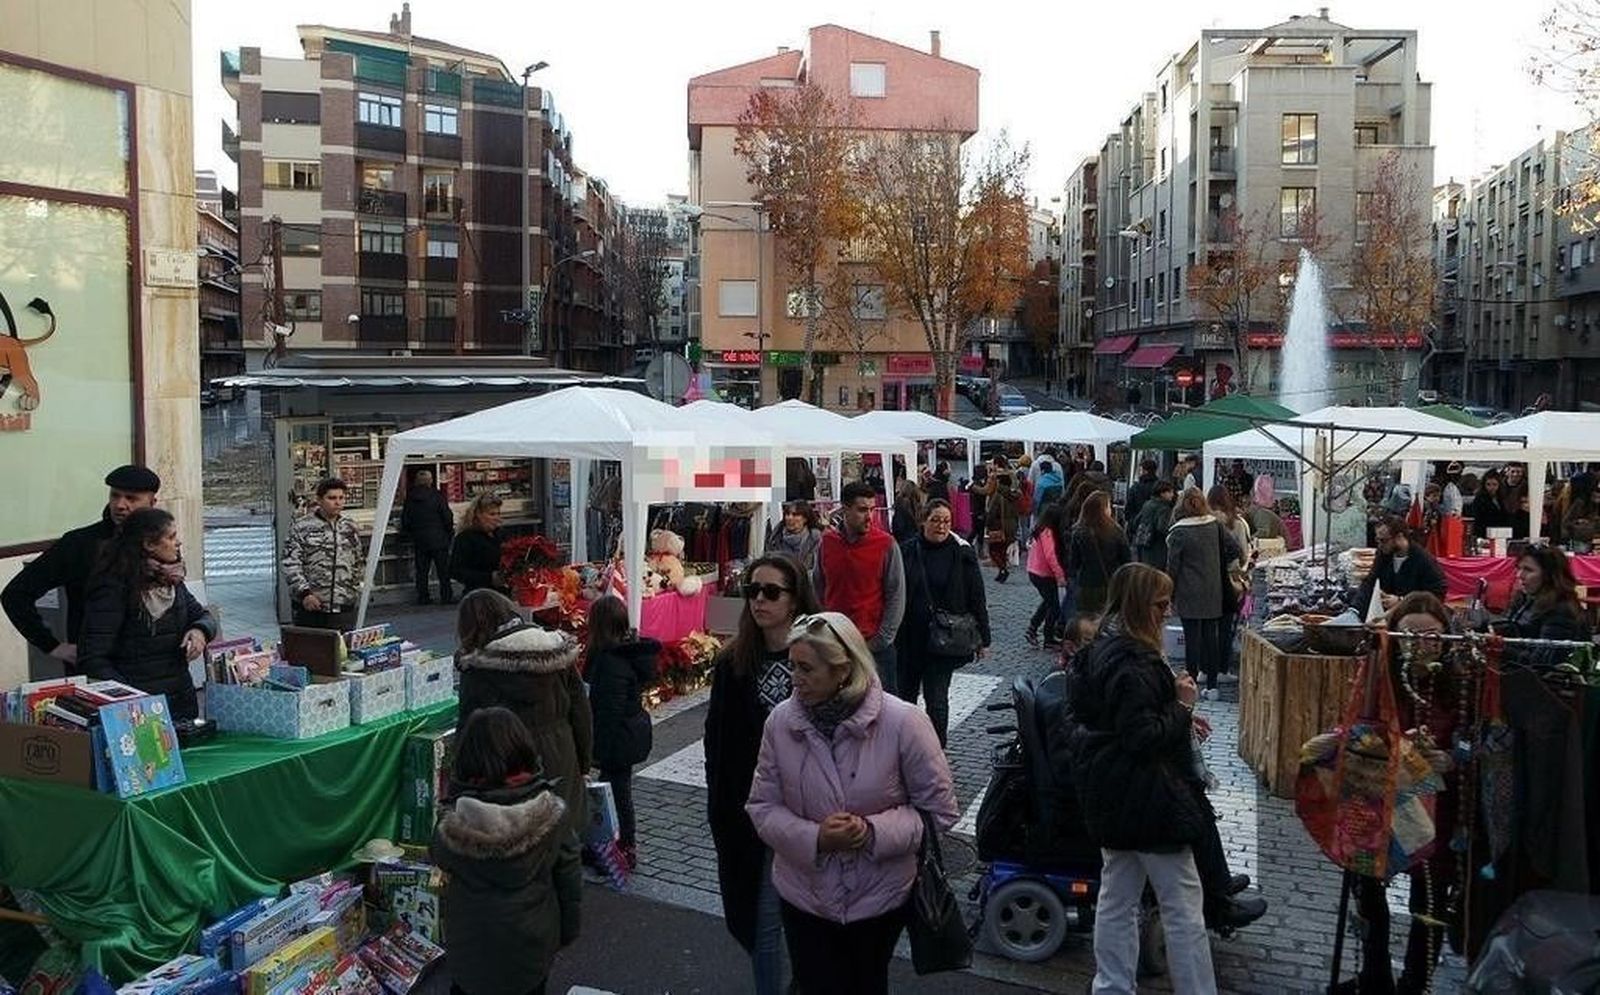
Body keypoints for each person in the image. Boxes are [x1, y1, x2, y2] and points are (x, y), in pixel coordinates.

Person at [746, 612, 958, 995]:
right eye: (792, 665)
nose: (794, 677)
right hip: (803, 896)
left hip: (879, 898)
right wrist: (815, 838)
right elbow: (761, 806)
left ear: (842, 670)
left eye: (806, 668)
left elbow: (939, 811)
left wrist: (872, 832)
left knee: (865, 984)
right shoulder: (781, 722)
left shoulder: (904, 722)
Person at [1060, 563, 1218, 995]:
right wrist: (1182, 707)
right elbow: (1141, 736)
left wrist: (1177, 713)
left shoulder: (1100, 651)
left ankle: (1111, 987)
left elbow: (1104, 721)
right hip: (1148, 797)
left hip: (1110, 792)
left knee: (1117, 898)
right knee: (1183, 907)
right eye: (1161, 604)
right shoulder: (1135, 663)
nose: (1167, 613)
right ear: (1138, 606)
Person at [706, 555, 821, 995]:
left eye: (771, 591)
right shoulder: (733, 663)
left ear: (795, 599)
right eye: (752, 590)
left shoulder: (819, 655)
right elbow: (717, 742)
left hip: (811, 811)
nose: (759, 600)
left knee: (801, 924)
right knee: (762, 925)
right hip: (754, 814)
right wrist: (722, 807)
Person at [454, 589, 591, 948]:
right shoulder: (556, 651)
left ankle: (524, 916)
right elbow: (581, 709)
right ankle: (558, 907)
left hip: (510, 764)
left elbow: (469, 729)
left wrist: (457, 784)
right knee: (560, 835)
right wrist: (584, 758)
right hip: (561, 748)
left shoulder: (479, 666)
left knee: (517, 839)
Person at [1340, 592, 1460, 995]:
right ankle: (1375, 976)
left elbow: (1479, 741)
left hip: (1435, 806)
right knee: (1368, 888)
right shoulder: (1381, 673)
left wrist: (1450, 757)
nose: (1420, 644)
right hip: (1381, 797)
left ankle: (1414, 984)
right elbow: (1359, 728)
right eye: (1409, 634)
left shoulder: (1461, 680)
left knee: (1427, 901)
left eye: (1431, 636)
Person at [432, 706, 571, 995]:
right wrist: (565, 931)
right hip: (531, 944)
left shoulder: (454, 824)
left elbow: (439, 855)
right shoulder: (550, 813)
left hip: (471, 948)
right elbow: (568, 876)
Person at [3, 464, 161, 670]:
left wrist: (198, 629)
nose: (120, 505)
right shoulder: (79, 544)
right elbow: (15, 594)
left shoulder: (163, 542)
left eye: (131, 498)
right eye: (115, 496)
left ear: (152, 502)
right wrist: (52, 646)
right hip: (97, 671)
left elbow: (180, 604)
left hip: (155, 669)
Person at [77, 508, 215, 721]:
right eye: (171, 537)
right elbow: (93, 657)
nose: (178, 543)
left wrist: (200, 631)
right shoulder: (113, 588)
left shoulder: (171, 580)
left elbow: (202, 615)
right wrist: (131, 698)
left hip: (181, 702)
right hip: (136, 711)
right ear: (149, 544)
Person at [897, 499, 990, 746]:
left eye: (946, 521)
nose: (941, 526)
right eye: (935, 520)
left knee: (937, 700)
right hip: (909, 638)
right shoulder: (906, 550)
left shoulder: (962, 553)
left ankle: (937, 750)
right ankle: (905, 748)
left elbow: (976, 596)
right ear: (923, 521)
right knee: (904, 699)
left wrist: (984, 638)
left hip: (943, 640)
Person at [584, 595, 659, 871]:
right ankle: (608, 845)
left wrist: (597, 750)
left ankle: (622, 847)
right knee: (616, 790)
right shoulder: (623, 653)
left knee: (617, 792)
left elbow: (608, 711)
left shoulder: (610, 661)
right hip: (626, 733)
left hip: (618, 738)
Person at [813, 480, 906, 697]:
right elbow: (818, 585)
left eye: (872, 510)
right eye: (862, 509)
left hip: (874, 646)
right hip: (835, 643)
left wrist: (881, 639)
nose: (869, 516)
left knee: (883, 711)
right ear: (845, 509)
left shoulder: (886, 544)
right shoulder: (827, 542)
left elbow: (896, 594)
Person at [1166, 487, 1241, 700]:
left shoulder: (1178, 531)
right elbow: (1235, 549)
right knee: (1211, 636)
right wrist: (1216, 565)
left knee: (1192, 639)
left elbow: (1172, 567)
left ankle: (1191, 684)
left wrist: (1169, 594)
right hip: (1213, 589)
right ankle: (1213, 685)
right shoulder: (1215, 524)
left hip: (1188, 591)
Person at [281, 477, 365, 630]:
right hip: (312, 605)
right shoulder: (302, 526)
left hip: (344, 604)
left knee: (342, 650)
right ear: (319, 500)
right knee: (313, 650)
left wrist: (355, 588)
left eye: (341, 498)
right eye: (332, 498)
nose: (337, 502)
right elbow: (290, 562)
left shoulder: (349, 526)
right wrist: (304, 593)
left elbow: (358, 560)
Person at [1495, 545, 1591, 665]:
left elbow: (1543, 663)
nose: (1519, 575)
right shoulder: (1524, 599)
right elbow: (1509, 629)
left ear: (1548, 575)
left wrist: (1499, 650)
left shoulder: (1562, 610)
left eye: (1528, 570)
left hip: (1548, 680)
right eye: (1519, 568)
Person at [1355, 516, 1448, 618]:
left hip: (1413, 616)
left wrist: (1402, 601)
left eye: (1383, 541)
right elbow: (1370, 581)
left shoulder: (1423, 560)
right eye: (1377, 540)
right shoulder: (1383, 555)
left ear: (1399, 537)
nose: (1380, 545)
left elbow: (1437, 593)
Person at [1208, 485, 1253, 674]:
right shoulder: (1238, 524)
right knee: (1226, 626)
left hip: (1208, 579)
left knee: (1209, 626)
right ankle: (1222, 669)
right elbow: (1244, 554)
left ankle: (1206, 668)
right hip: (1232, 580)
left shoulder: (1205, 523)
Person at [1067, 491, 1131, 615]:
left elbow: (1074, 562)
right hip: (1110, 583)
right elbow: (1126, 559)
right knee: (1106, 618)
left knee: (1087, 617)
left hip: (1086, 584)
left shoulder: (1079, 531)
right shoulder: (1116, 531)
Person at [400, 469, 454, 605]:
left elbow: (406, 520)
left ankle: (423, 597)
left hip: (420, 540)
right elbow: (447, 516)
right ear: (430, 481)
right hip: (438, 538)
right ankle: (446, 596)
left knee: (422, 571)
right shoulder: (437, 496)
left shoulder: (410, 498)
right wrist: (449, 532)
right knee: (443, 571)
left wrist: (411, 533)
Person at [1026, 502, 1070, 649]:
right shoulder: (1047, 533)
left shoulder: (1042, 530)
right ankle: (1048, 637)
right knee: (1054, 606)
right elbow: (1051, 556)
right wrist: (1060, 575)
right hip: (1042, 573)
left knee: (1048, 602)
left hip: (1037, 571)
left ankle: (1033, 627)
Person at [451, 493, 507, 596]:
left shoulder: (500, 534)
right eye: (492, 514)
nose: (497, 518)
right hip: (479, 595)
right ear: (478, 515)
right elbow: (456, 571)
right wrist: (489, 578)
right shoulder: (466, 537)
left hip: (504, 594)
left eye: (498, 514)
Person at [766, 500, 823, 573]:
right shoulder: (776, 538)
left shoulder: (815, 540)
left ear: (805, 519)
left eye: (795, 514)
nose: (790, 518)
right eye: (787, 514)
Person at [1132, 480, 1177, 570]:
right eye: (1170, 492)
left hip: (1143, 543)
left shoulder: (1147, 504)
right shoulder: (1164, 508)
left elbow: (1136, 521)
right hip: (1157, 547)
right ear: (1162, 493)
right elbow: (1163, 528)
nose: (1172, 495)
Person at [1469, 469, 1512, 539]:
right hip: (1485, 535)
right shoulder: (1479, 499)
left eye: (1494, 484)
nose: (1491, 488)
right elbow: (1478, 522)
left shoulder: (1502, 499)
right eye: (1488, 484)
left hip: (1501, 534)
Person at [890, 478, 923, 544]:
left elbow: (899, 526)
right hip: (917, 539)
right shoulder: (918, 505)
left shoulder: (900, 504)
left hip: (903, 540)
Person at [1126, 459, 1160, 523]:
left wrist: (1132, 521)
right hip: (1155, 524)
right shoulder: (1160, 486)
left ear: (1145, 471)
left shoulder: (1135, 488)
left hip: (1137, 523)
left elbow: (1129, 508)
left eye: (1140, 470)